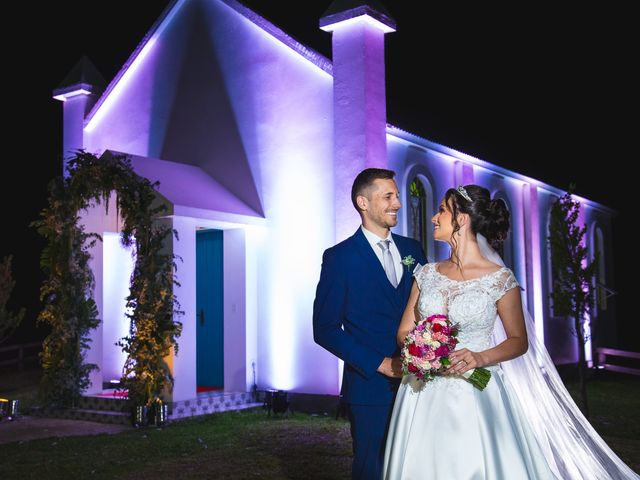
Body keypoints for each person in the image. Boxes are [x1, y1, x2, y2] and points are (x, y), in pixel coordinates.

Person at [383, 184, 639, 480]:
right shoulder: (425, 274)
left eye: (442, 210)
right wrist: (422, 351)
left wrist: (479, 357)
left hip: (477, 390)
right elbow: (405, 329)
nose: (433, 218)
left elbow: (519, 341)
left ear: (462, 219)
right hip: (421, 392)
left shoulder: (499, 279)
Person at [313, 168, 427, 480]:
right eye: (388, 196)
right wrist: (381, 364)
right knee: (372, 469)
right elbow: (324, 328)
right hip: (370, 388)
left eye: (398, 196)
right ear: (363, 202)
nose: (398, 203)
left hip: (421, 384)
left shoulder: (413, 250)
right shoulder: (340, 258)